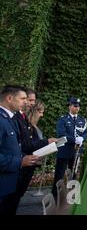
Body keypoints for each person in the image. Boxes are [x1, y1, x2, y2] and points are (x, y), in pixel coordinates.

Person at [12, 100, 57, 212]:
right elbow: (26, 146)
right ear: (34, 111)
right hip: (22, 165)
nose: (42, 115)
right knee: (13, 198)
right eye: (41, 112)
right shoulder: (24, 125)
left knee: (17, 197)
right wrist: (47, 142)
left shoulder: (33, 126)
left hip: (31, 164)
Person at [0, 85, 39, 215]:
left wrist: (28, 158)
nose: (26, 102)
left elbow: (14, 148)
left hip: (11, 183)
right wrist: (20, 161)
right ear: (9, 98)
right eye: (22, 98)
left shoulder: (11, 119)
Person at [52, 97, 87, 199]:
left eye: (78, 106)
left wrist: (82, 138)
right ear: (70, 106)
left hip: (76, 151)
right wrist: (75, 140)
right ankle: (55, 195)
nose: (77, 108)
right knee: (59, 174)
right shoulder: (63, 119)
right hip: (64, 150)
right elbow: (61, 134)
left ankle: (72, 196)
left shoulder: (82, 120)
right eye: (75, 106)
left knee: (73, 174)